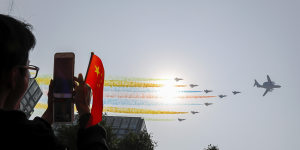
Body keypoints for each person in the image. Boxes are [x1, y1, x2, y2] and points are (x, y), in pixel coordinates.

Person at [0, 14, 108, 150]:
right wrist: (86, 112)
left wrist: (50, 112)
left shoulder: (26, 135)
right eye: (28, 69)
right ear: (14, 76)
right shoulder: (32, 140)